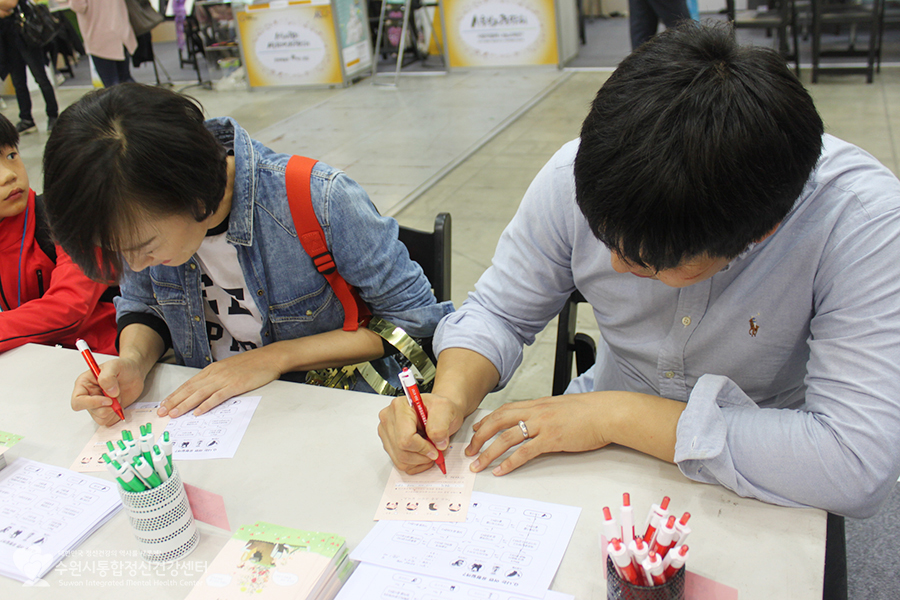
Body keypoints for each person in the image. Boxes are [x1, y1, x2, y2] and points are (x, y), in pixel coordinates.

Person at [378, 22, 900, 520]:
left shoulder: (861, 222)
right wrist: (448, 397)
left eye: (648, 264)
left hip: (763, 464)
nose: (613, 265)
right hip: (593, 448)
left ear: (759, 233)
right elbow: (499, 313)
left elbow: (854, 463)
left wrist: (615, 416)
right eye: (605, 239)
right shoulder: (579, 174)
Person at [41, 83, 452, 428]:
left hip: (323, 411)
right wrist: (132, 362)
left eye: (144, 247)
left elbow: (414, 323)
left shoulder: (319, 199)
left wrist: (273, 359)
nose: (134, 264)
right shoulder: (133, 215)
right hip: (216, 422)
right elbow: (144, 305)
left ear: (191, 193)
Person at [0, 113, 116, 354]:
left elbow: (69, 308)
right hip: (36, 359)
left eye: (11, 155)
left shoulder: (66, 214)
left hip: (107, 358)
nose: (8, 175)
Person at [0, 0, 60, 133]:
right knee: (18, 83)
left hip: (26, 36)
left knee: (41, 78)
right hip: (8, 40)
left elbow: (11, 4)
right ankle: (26, 118)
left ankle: (53, 115)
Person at [69, 0, 137, 87]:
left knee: (111, 84)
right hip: (120, 30)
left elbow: (79, 6)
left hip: (99, 35)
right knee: (125, 79)